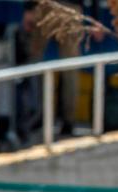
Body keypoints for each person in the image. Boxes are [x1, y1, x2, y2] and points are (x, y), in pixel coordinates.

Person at [18, 0, 101, 138]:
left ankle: (37, 116)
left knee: (35, 65)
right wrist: (95, 19)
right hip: (71, 10)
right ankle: (68, 121)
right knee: (70, 69)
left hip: (44, 7)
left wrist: (28, 9)